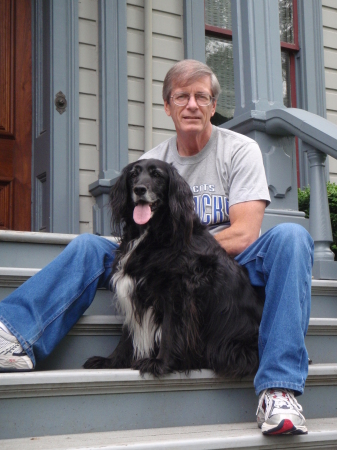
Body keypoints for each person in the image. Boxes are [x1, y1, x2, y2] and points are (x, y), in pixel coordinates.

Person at [0, 60, 313, 436]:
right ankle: (13, 335)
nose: (192, 105)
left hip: (230, 262)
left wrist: (177, 248)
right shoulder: (154, 160)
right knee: (88, 246)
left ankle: (278, 388)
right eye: (182, 96)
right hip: (159, 253)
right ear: (168, 107)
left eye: (202, 96)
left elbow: (245, 233)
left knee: (292, 238)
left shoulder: (239, 150)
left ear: (213, 106)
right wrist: (155, 251)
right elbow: (136, 228)